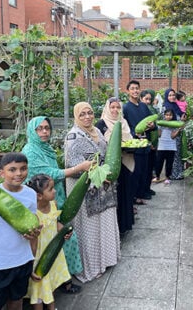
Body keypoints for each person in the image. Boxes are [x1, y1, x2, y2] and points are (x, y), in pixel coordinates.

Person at [21, 116, 86, 293]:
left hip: (53, 199)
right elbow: (50, 174)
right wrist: (79, 168)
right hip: (42, 205)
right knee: (55, 240)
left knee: (63, 237)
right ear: (32, 131)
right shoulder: (30, 151)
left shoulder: (45, 148)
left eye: (47, 128)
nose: (44, 132)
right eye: (39, 129)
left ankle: (62, 279)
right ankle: (58, 283)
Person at [64, 102, 120, 283]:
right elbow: (73, 166)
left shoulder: (96, 130)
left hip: (103, 188)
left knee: (103, 223)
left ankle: (107, 259)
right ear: (76, 117)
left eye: (89, 113)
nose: (87, 117)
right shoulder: (73, 136)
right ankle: (92, 266)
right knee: (90, 228)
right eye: (82, 114)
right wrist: (99, 174)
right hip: (85, 189)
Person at [0, 153, 40, 310]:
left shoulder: (30, 194)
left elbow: (32, 231)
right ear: (2, 173)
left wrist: (32, 260)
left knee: (16, 302)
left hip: (22, 261)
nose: (18, 173)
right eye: (12, 169)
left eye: (23, 169)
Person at [25, 174, 72, 310]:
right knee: (38, 291)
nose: (55, 191)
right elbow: (32, 241)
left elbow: (55, 223)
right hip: (39, 256)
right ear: (39, 196)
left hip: (53, 252)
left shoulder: (53, 204)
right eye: (51, 189)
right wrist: (31, 263)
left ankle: (52, 307)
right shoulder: (33, 214)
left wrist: (65, 231)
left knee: (49, 283)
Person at [94, 97, 136, 235]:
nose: (115, 110)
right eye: (112, 107)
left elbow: (131, 141)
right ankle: (113, 229)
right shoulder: (101, 124)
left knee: (125, 194)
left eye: (118, 107)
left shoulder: (123, 123)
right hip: (110, 167)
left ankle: (124, 226)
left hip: (125, 163)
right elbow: (98, 145)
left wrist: (131, 146)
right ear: (107, 108)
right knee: (113, 197)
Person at [123, 81, 156, 205]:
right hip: (133, 146)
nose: (135, 91)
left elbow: (152, 121)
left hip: (145, 144)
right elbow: (123, 126)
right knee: (135, 172)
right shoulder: (125, 108)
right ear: (128, 91)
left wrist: (153, 125)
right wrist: (133, 133)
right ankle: (134, 196)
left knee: (145, 170)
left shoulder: (143, 106)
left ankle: (143, 192)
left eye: (137, 88)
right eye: (132, 89)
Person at [154, 108, 181, 185]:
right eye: (167, 115)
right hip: (161, 146)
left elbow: (173, 136)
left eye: (170, 115)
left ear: (173, 116)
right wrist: (158, 127)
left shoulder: (174, 124)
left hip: (171, 146)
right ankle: (157, 176)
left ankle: (167, 178)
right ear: (164, 115)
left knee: (169, 163)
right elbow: (159, 135)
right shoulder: (161, 124)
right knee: (159, 162)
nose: (168, 117)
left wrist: (178, 130)